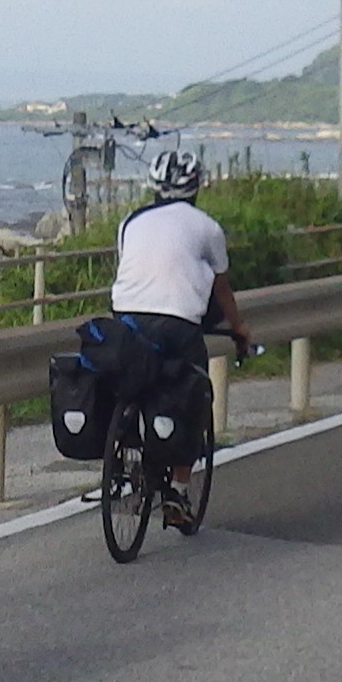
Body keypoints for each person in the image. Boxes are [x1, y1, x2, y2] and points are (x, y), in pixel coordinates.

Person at [108, 147, 251, 460]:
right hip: (178, 322)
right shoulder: (208, 227)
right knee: (191, 396)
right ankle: (178, 494)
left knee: (132, 375)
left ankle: (125, 437)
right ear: (195, 187)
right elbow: (222, 289)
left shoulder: (129, 222)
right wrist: (238, 327)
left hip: (126, 316)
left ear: (155, 187)